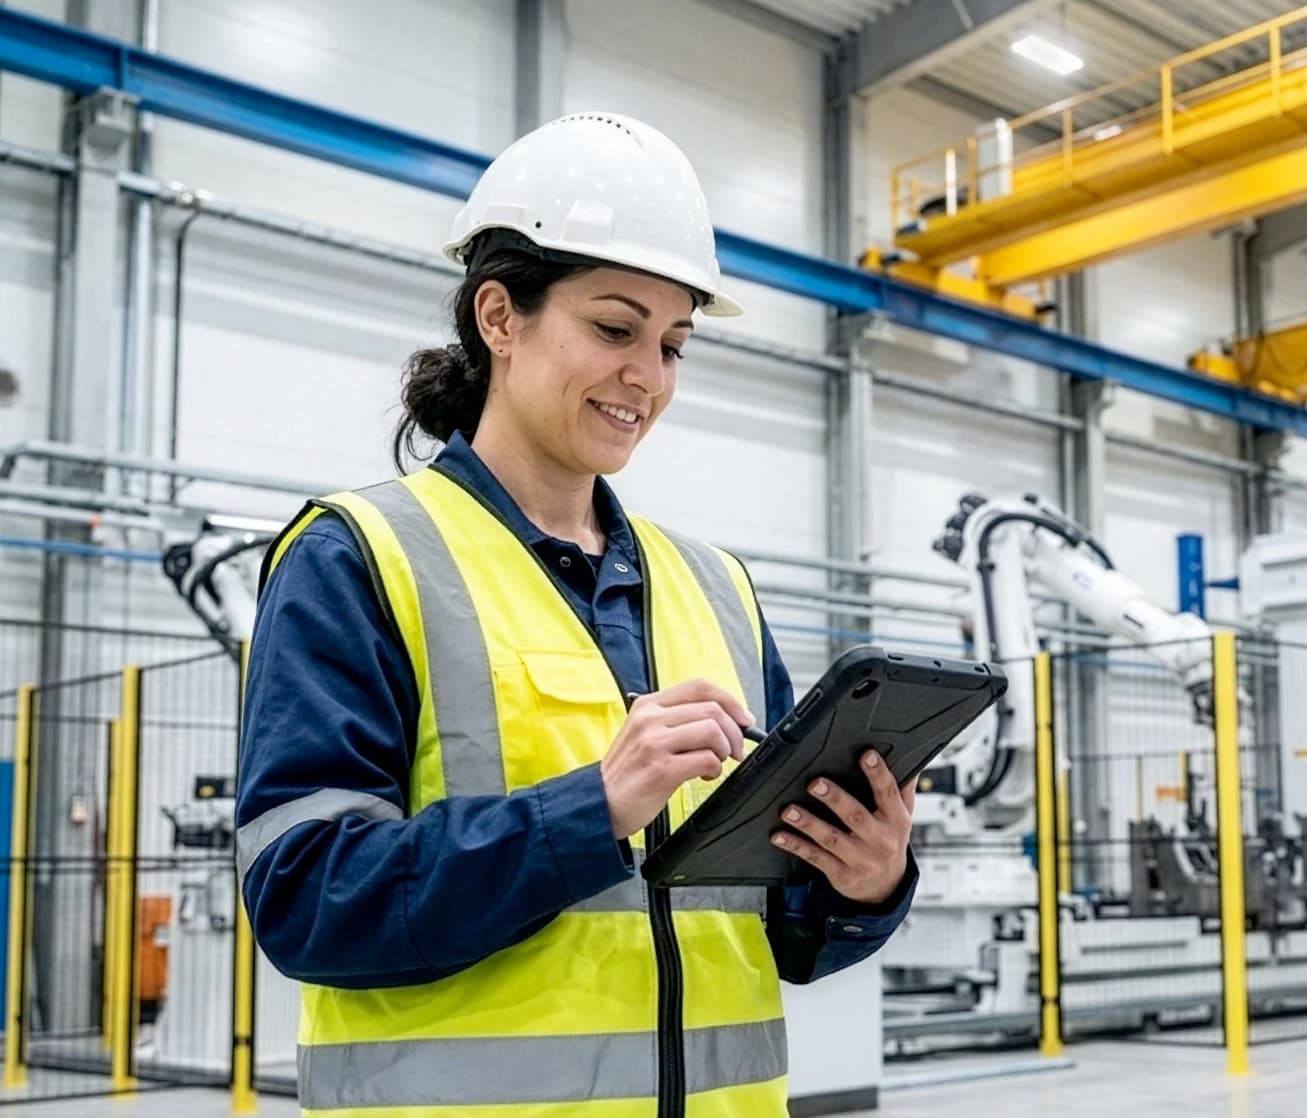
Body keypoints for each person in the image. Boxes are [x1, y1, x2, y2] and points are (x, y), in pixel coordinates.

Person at [237, 111, 918, 1118]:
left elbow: (782, 933)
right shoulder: (356, 559)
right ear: (498, 316)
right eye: (613, 327)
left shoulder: (717, 588)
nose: (647, 375)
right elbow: (306, 898)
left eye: (672, 343)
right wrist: (588, 808)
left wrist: (863, 880)